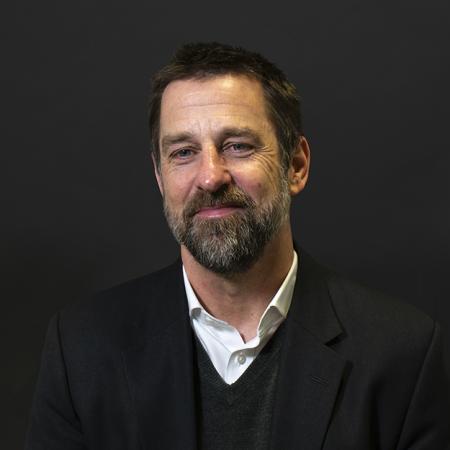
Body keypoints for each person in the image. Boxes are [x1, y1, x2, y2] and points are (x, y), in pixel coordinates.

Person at [26, 42, 450, 450]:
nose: (211, 176)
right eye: (183, 152)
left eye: (237, 146)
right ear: (159, 177)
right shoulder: (82, 349)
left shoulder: (402, 354)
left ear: (296, 166)